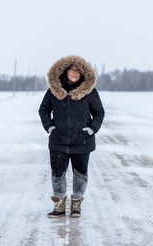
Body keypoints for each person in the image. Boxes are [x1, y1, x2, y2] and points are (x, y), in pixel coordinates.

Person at [38, 55, 105, 218]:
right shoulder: (53, 91)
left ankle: (76, 204)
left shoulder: (89, 91)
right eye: (72, 69)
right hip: (58, 141)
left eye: (78, 71)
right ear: (65, 71)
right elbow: (43, 110)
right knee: (58, 174)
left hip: (82, 141)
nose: (75, 73)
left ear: (83, 74)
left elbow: (99, 112)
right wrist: (50, 127)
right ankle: (59, 205)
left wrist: (91, 129)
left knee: (80, 174)